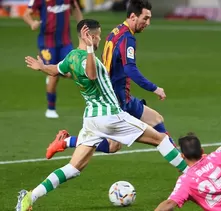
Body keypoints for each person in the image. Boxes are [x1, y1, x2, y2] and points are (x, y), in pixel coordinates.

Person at [16, 19, 188, 211]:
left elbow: (55, 70)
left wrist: (42, 67)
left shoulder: (71, 56)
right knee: (161, 139)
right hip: (111, 116)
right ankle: (194, 176)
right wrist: (90, 50)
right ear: (91, 36)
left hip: (91, 120)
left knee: (74, 168)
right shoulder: (86, 58)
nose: (99, 40)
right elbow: (90, 74)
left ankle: (30, 197)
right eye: (98, 36)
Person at [45, 0, 178, 159]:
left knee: (156, 119)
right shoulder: (128, 38)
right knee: (113, 146)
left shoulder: (116, 31)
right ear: (133, 16)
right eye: (145, 18)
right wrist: (154, 88)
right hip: (116, 98)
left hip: (121, 94)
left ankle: (179, 155)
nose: (148, 23)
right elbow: (130, 69)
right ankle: (67, 141)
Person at [23, 0, 83, 118]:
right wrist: (31, 23)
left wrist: (82, 25)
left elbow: (75, 8)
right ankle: (51, 109)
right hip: (47, 43)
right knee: (53, 75)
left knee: (74, 70)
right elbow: (26, 14)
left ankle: (52, 71)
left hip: (65, 42)